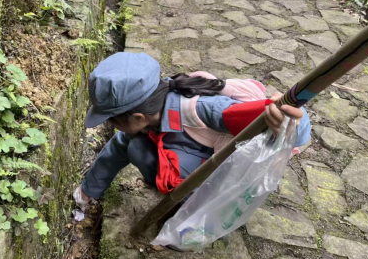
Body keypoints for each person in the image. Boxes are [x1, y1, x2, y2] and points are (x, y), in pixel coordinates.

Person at [73, 53, 311, 209]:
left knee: (138, 150)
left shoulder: (207, 110)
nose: (111, 126)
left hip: (228, 177)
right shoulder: (153, 106)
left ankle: (196, 206)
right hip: (195, 153)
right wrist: (88, 190)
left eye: (112, 120)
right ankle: (179, 191)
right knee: (133, 145)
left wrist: (292, 122)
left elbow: (291, 135)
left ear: (138, 117)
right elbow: (116, 148)